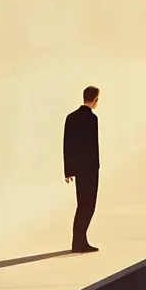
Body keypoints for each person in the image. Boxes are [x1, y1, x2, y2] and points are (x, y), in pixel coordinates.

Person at [63, 86, 100, 253]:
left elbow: (67, 145)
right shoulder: (92, 119)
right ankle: (80, 241)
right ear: (95, 100)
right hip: (90, 169)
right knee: (89, 206)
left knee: (81, 205)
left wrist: (68, 170)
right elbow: (93, 146)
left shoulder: (71, 118)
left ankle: (78, 240)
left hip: (78, 170)